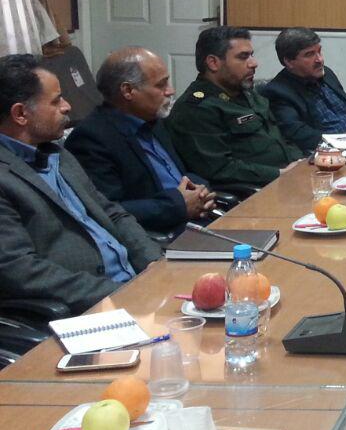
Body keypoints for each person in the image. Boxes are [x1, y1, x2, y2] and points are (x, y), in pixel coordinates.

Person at [0, 54, 160, 314]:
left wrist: (153, 262)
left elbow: (112, 213)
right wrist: (118, 293)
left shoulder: (57, 154)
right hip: (88, 305)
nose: (67, 106)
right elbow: (20, 270)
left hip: (136, 284)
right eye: (55, 101)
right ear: (20, 114)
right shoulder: (5, 177)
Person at [66, 48, 215, 236]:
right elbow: (107, 209)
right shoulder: (91, 138)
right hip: (162, 234)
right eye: (161, 85)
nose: (170, 91)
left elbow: (181, 173)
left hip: (199, 220)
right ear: (128, 91)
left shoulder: (154, 120)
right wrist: (179, 204)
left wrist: (201, 191)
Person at [166, 27, 303, 188]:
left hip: (288, 177)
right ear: (213, 63)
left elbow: (279, 138)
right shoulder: (197, 109)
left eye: (251, 55)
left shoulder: (245, 92)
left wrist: (301, 162)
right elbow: (219, 168)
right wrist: (280, 174)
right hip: (255, 190)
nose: (254, 63)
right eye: (243, 57)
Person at [259, 27, 346, 152]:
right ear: (289, 61)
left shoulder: (327, 73)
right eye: (309, 54)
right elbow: (298, 134)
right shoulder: (278, 91)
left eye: (319, 51)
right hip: (331, 152)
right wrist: (343, 143)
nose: (320, 60)